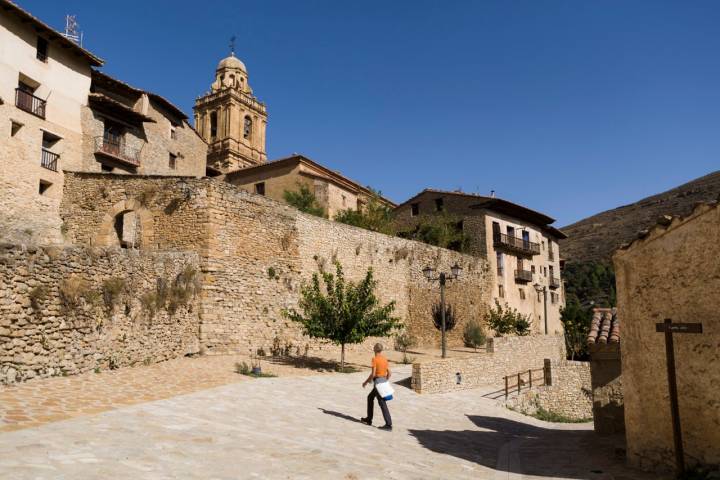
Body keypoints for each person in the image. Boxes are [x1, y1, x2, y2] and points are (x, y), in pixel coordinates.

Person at [361, 343, 392, 431]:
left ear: (374, 349)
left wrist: (366, 382)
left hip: (378, 383)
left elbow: (373, 373)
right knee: (370, 397)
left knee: (382, 403)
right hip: (382, 382)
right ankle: (369, 419)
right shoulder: (384, 359)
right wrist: (385, 380)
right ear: (381, 350)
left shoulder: (375, 359)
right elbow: (389, 372)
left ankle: (388, 425)